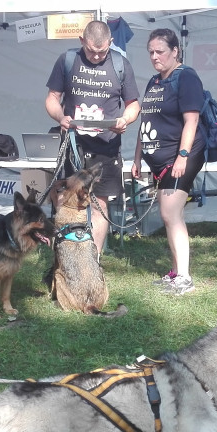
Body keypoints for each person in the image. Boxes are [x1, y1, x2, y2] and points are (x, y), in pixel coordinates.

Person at [45, 20, 141, 256]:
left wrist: (124, 120)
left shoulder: (121, 64)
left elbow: (134, 104)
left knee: (100, 202)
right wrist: (61, 117)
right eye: (91, 51)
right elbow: (51, 98)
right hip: (73, 143)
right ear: (81, 41)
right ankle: (66, 252)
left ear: (110, 43)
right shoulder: (67, 61)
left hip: (106, 146)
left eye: (102, 52)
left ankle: (93, 258)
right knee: (64, 197)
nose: (97, 57)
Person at [130, 28, 206, 295]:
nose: (154, 56)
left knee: (169, 213)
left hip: (182, 156)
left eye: (160, 51)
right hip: (158, 160)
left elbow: (192, 120)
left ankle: (184, 278)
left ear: (175, 51)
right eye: (150, 52)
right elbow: (145, 122)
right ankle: (175, 272)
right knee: (171, 215)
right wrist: (138, 157)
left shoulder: (186, 78)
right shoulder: (154, 82)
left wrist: (182, 156)